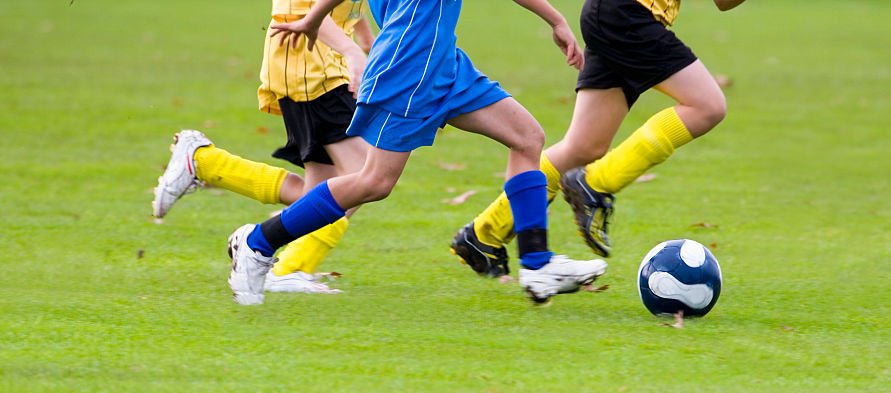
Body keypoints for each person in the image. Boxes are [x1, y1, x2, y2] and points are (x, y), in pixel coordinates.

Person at [227, 0, 607, 306]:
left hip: (444, 65)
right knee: (373, 182)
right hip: (405, 69)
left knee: (527, 137)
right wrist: (314, 18)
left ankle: (537, 264)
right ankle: (258, 243)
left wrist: (555, 19)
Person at [450, 0, 748, 278]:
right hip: (628, 15)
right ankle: (596, 182)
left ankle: (483, 233)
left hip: (612, 15)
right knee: (707, 106)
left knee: (583, 147)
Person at [153, 1, 375, 294]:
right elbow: (300, 8)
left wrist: (365, 39)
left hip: (324, 66)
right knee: (365, 177)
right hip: (312, 69)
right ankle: (279, 260)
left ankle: (205, 162)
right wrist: (351, 50)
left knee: (320, 194)